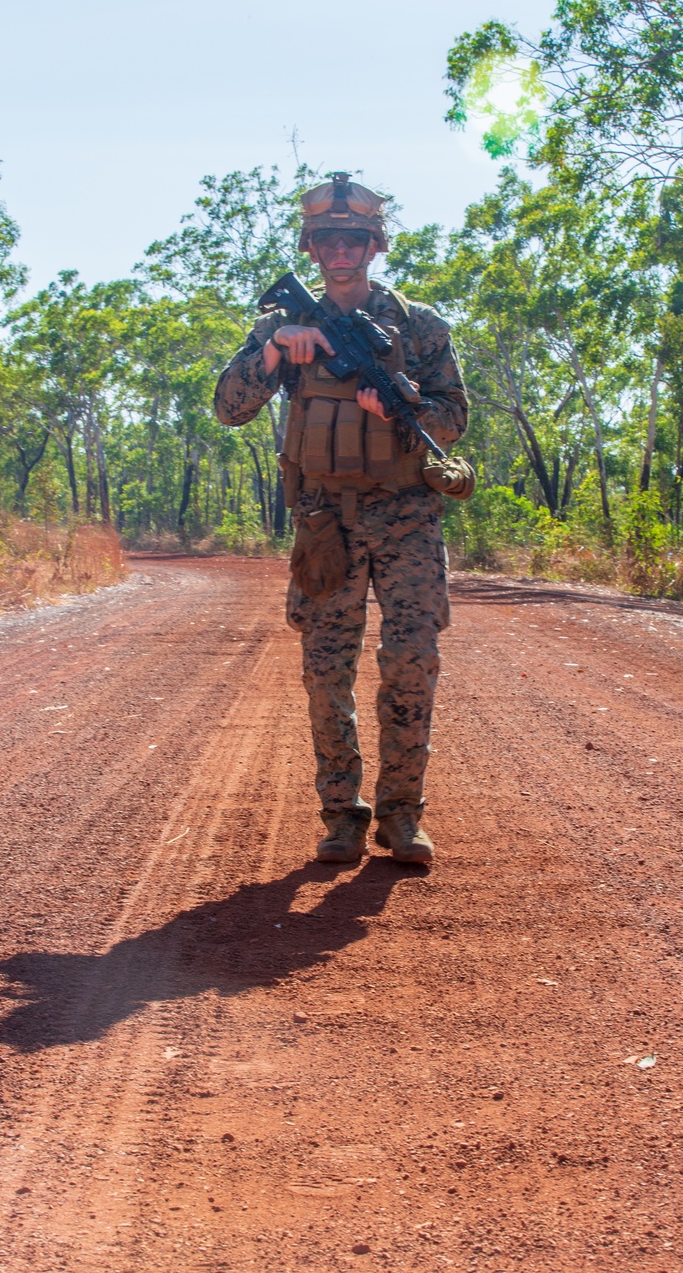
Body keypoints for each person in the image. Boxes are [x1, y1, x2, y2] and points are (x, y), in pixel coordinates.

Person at [214, 173, 468, 864]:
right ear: (311, 245)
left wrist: (401, 408)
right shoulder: (281, 324)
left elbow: (454, 420)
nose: (340, 250)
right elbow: (230, 406)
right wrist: (273, 350)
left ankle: (401, 816)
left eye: (354, 238)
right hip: (325, 518)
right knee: (327, 670)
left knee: (411, 660)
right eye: (326, 239)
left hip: (407, 515)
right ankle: (341, 815)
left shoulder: (419, 326)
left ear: (375, 245)